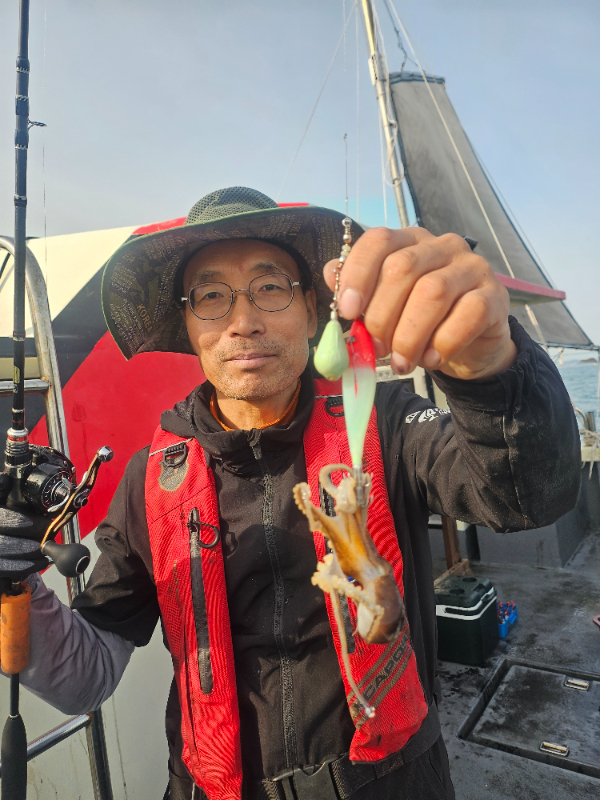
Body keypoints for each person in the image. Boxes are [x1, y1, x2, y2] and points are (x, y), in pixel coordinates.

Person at [16, 188, 580, 800]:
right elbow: (86, 679)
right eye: (211, 297)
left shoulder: (385, 421)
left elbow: (525, 495)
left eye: (270, 287)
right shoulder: (150, 477)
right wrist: (15, 588)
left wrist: (491, 368)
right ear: (189, 326)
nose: (244, 320)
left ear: (313, 311)